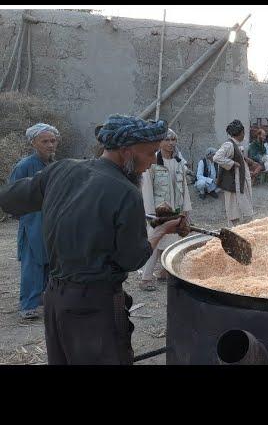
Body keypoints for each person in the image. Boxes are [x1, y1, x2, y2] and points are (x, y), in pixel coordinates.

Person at [0, 115, 185, 364]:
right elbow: (132, 258)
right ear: (126, 151)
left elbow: (11, 198)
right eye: (150, 154)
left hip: (55, 299)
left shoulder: (61, 169)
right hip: (95, 306)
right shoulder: (127, 192)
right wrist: (161, 232)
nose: (152, 163)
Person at [9, 123, 60, 320]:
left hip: (52, 219)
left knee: (50, 261)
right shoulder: (24, 166)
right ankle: (28, 305)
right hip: (32, 222)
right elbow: (12, 195)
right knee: (33, 262)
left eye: (53, 141)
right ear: (33, 143)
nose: (50, 145)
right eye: (45, 141)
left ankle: (44, 300)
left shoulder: (55, 164)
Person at [139, 128, 192, 291]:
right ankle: (146, 278)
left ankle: (164, 272)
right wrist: (150, 213)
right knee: (154, 242)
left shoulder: (178, 163)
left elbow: (184, 186)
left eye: (173, 139)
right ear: (159, 142)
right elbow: (146, 187)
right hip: (158, 212)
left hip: (175, 209)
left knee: (174, 241)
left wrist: (186, 209)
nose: (170, 143)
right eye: (167, 140)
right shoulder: (152, 163)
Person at [213, 120, 256, 227]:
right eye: (243, 132)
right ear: (240, 133)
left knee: (242, 209)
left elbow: (238, 158)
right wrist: (232, 163)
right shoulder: (229, 145)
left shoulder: (236, 145)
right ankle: (235, 232)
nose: (244, 134)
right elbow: (217, 157)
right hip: (233, 182)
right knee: (234, 211)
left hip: (239, 181)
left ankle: (240, 230)